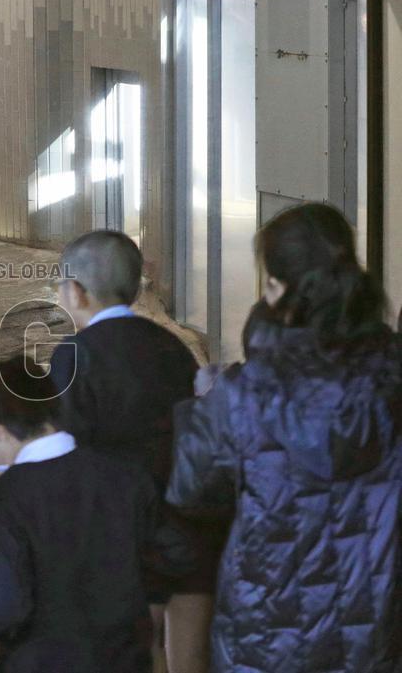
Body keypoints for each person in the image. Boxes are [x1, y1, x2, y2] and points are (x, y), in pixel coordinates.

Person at [168, 202, 402, 672]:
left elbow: (190, 491)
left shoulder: (240, 393)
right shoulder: (393, 379)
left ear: (274, 288)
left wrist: (200, 408)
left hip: (263, 635)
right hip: (377, 632)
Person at [49, 230, 213, 673]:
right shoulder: (174, 348)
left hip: (115, 534)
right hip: (186, 520)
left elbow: (68, 448)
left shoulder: (73, 355)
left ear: (76, 292)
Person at [0, 357, 162, 673]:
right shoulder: (127, 478)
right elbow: (164, 569)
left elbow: (4, 607)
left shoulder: (4, 499)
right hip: (125, 661)